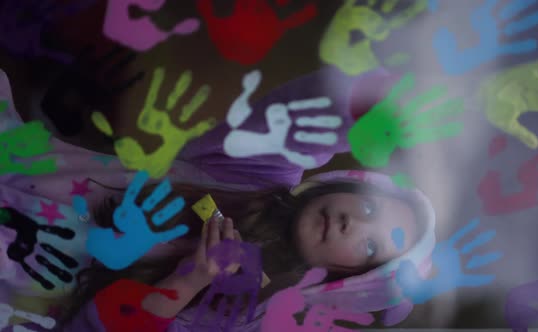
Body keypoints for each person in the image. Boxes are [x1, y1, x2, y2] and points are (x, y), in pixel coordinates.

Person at [0, 67, 435, 331]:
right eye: (370, 208)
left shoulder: (244, 318)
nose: (352, 223)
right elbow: (316, 106)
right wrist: (400, 100)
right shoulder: (257, 172)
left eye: (372, 245)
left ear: (347, 277)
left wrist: (184, 285)